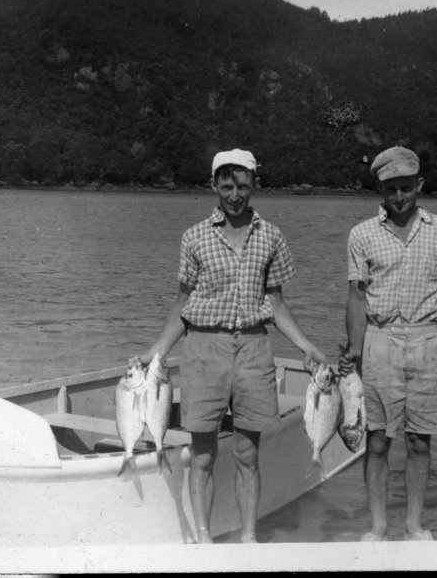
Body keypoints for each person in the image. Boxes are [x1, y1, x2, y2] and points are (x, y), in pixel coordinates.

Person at [132, 148, 327, 544]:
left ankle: (249, 538)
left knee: (247, 454)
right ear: (214, 185)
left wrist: (307, 347)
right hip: (203, 350)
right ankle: (204, 539)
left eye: (242, 185)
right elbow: (183, 303)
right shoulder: (195, 236)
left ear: (255, 183)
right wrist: (156, 352)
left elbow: (276, 302)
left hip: (254, 349)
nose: (234, 194)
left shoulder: (271, 236)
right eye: (226, 185)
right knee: (202, 455)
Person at [339, 145, 437, 542]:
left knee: (420, 440)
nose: (400, 197)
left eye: (406, 188)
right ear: (380, 190)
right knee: (376, 440)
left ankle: (414, 524)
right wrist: (354, 349)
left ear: (419, 184)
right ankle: (378, 526)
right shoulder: (361, 234)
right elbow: (356, 298)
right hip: (379, 340)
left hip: (428, 340)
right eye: (391, 190)